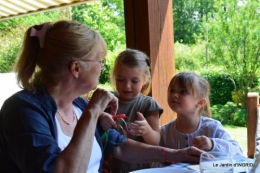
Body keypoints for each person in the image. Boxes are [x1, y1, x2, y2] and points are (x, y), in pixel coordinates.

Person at [0, 20, 203, 173]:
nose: (102, 67)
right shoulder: (22, 110)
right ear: (76, 68)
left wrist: (176, 154)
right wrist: (93, 111)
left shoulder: (78, 105)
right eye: (99, 60)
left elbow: (120, 147)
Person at [98, 49, 163, 172]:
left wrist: (147, 131)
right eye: (121, 79)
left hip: (139, 168)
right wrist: (101, 116)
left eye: (134, 81)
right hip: (108, 167)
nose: (127, 86)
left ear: (145, 80)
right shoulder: (107, 100)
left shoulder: (148, 104)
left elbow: (156, 141)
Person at [160, 72, 243, 156]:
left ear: (200, 102)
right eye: (172, 90)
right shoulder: (165, 132)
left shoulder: (213, 128)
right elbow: (157, 162)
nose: (174, 95)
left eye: (183, 92)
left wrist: (212, 144)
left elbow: (237, 151)